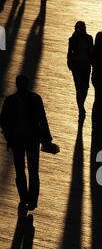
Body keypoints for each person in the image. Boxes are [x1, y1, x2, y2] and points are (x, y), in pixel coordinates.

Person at [0, 75, 55, 212]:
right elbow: (4, 122)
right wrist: (9, 138)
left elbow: (43, 119)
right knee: (21, 171)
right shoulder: (12, 101)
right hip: (18, 140)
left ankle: (32, 200)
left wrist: (47, 140)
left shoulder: (33, 99)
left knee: (32, 171)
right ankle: (25, 198)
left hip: (31, 140)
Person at [67, 21, 93, 120]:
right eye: (79, 28)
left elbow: (91, 51)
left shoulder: (89, 38)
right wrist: (69, 63)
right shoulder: (72, 39)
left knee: (85, 87)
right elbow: (69, 52)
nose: (81, 29)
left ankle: (81, 105)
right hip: (77, 65)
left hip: (86, 65)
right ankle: (81, 108)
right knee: (79, 88)